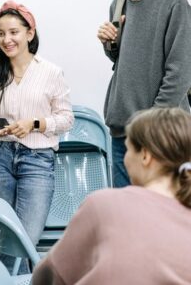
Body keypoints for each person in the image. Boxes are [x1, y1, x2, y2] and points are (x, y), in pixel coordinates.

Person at [32, 107, 191, 284]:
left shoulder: (104, 204)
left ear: (145, 156)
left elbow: (47, 275)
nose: (124, 158)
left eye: (127, 149)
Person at [0, 0, 74, 274]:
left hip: (37, 160)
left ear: (30, 33)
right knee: (9, 237)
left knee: (25, 238)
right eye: (0, 33)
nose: (6, 39)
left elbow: (66, 119)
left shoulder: (51, 72)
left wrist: (34, 123)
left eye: (13, 32)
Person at [97, 0, 191, 188]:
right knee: (128, 218)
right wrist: (110, 43)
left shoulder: (174, 3)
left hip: (161, 134)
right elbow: (124, 62)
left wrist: (150, 126)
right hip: (121, 133)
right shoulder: (118, 2)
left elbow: (180, 73)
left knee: (165, 218)